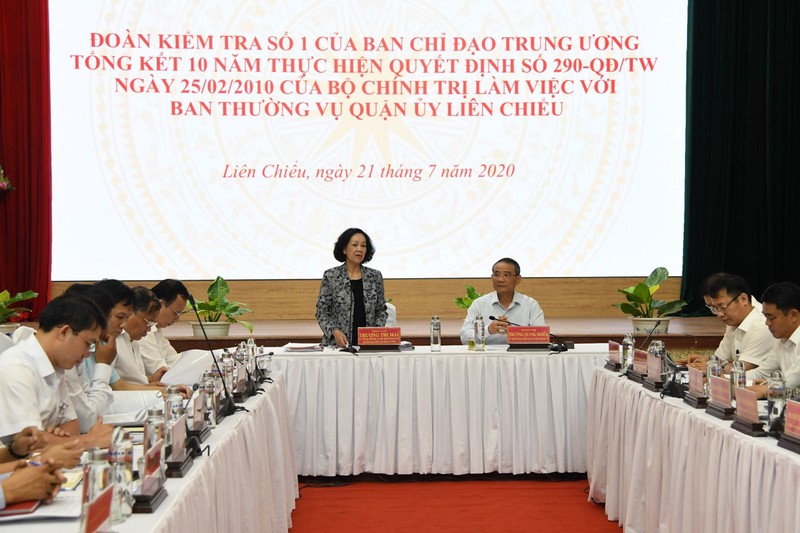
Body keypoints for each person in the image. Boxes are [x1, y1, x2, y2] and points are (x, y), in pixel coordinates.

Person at [0, 294, 108, 447]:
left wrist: (51, 438)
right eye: (88, 343)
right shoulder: (17, 368)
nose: (87, 354)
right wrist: (91, 441)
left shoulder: (55, 366)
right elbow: (29, 444)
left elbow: (72, 427)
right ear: (64, 332)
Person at [678, 273, 777, 378]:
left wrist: (715, 366)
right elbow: (720, 358)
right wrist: (704, 361)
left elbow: (741, 369)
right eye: (713, 308)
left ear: (743, 299)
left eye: (723, 306)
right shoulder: (734, 320)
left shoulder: (763, 324)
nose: (719, 314)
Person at [316, 228, 388, 347]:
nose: (359, 249)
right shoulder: (331, 276)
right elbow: (322, 312)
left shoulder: (375, 276)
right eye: (355, 245)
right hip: (337, 346)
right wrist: (334, 332)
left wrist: (375, 331)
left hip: (368, 346)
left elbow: (381, 310)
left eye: (363, 246)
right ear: (344, 249)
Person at [460, 258, 546, 345]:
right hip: (487, 353)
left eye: (506, 275)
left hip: (519, 353)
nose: (500, 279)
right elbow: (465, 338)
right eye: (496, 275)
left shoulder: (530, 305)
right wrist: (488, 330)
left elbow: (541, 337)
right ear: (492, 277)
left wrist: (514, 333)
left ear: (518, 279)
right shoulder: (479, 304)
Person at [750, 282, 800, 399]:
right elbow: (762, 373)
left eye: (771, 317)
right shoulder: (781, 339)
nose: (767, 323)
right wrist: (727, 378)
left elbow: (793, 383)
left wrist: (768, 388)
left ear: (794, 315)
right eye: (765, 317)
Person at [138, 279, 190, 376]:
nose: (177, 319)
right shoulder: (142, 331)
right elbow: (159, 371)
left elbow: (174, 360)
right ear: (161, 304)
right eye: (176, 313)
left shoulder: (156, 330)